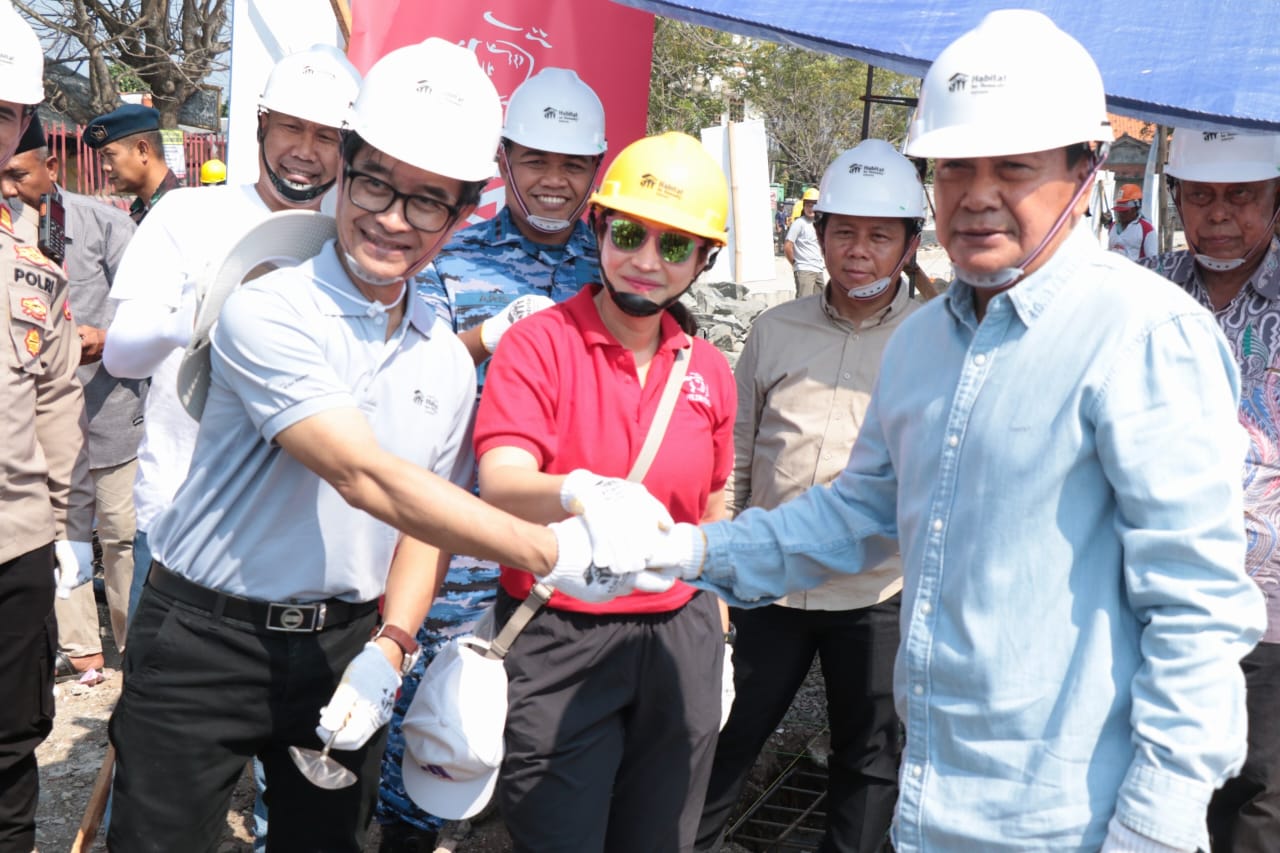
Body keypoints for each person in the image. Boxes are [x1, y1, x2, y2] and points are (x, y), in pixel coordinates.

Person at [640, 10, 1266, 852]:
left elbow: (1195, 610)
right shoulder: (926, 341)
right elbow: (856, 513)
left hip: (1071, 823)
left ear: (1085, 171)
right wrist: (683, 552)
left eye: (1013, 166)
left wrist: (1156, 823)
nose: (976, 195)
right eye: (954, 166)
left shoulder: (1145, 335)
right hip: (931, 809)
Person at [105, 38, 653, 853]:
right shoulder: (266, 304)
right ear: (345, 171)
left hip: (342, 641)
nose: (393, 219)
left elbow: (423, 527)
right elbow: (368, 477)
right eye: (375, 184)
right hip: (205, 641)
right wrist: (555, 540)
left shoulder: (441, 354)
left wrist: (392, 643)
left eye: (428, 201)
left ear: (463, 211)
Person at [460, 131, 735, 852]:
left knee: (661, 838)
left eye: (675, 246)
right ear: (598, 227)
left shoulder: (709, 368)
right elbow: (503, 481)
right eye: (628, 233)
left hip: (681, 633)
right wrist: (584, 493)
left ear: (704, 260)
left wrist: (722, 627)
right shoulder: (539, 343)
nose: (646, 260)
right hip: (560, 623)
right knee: (558, 834)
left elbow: (713, 506)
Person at [376, 66, 607, 851]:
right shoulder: (447, 256)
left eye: (572, 165)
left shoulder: (616, 267)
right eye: (536, 159)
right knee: (428, 730)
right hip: (454, 540)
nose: (552, 181)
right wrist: (484, 337)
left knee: (541, 743)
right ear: (504, 158)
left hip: (562, 549)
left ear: (595, 171)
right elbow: (406, 381)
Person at [695, 138, 924, 853]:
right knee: (723, 741)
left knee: (868, 761)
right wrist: (719, 580)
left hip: (876, 593)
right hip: (769, 586)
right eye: (844, 231)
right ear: (818, 232)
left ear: (911, 243)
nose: (859, 250)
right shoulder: (775, 329)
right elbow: (734, 453)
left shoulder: (935, 338)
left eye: (880, 235)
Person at [104, 43, 361, 631]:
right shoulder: (186, 214)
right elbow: (120, 355)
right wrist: (195, 315)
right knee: (160, 712)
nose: (305, 152)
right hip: (180, 516)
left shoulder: (349, 244)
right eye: (291, 128)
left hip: (299, 534)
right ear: (259, 126)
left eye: (327, 136)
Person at [1141, 128, 1280, 853]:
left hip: (1266, 603)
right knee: (1154, 784)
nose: (1219, 214)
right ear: (1177, 198)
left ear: (1276, 199)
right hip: (1149, 589)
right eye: (1201, 196)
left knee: (1257, 795)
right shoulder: (1134, 291)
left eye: (1242, 197)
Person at [0, 6, 95, 850]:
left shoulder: (36, 268)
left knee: (7, 751)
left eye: (2, 114)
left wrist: (66, 525)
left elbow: (59, 400)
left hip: (16, 546)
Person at [1, 117, 140, 684]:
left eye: (19, 173)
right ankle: (82, 650)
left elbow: (146, 306)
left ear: (52, 168)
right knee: (53, 538)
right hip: (29, 432)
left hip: (106, 415)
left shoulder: (104, 225)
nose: (10, 186)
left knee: (119, 536)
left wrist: (105, 337)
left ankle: (137, 651)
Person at [83, 104, 180, 222]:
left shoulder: (178, 212)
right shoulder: (143, 211)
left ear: (142, 151)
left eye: (110, 154)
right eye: (102, 157)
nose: (105, 167)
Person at [785, 186, 823, 297]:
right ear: (804, 206)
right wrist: (795, 263)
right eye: (808, 205)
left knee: (820, 304)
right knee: (804, 305)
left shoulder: (819, 224)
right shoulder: (799, 223)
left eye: (813, 205)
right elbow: (788, 246)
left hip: (818, 269)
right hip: (804, 270)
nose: (810, 208)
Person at [1108, 183, 1156, 260]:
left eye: (1125, 211)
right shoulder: (1113, 227)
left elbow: (1152, 260)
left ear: (1136, 207)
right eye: (1119, 211)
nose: (1121, 214)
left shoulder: (1146, 229)